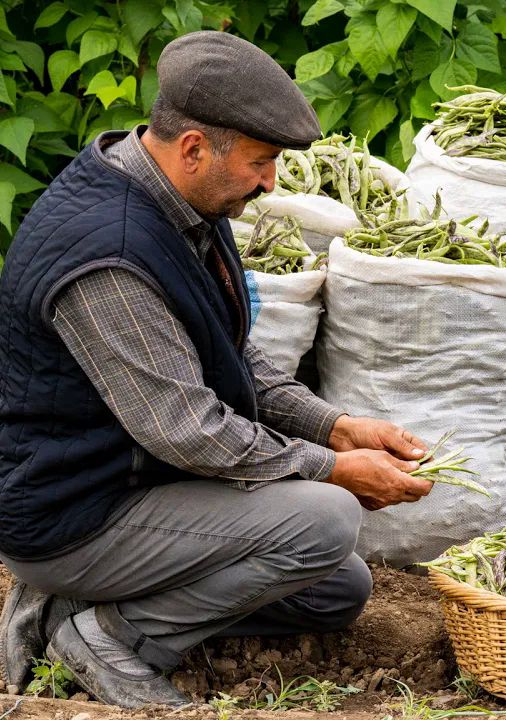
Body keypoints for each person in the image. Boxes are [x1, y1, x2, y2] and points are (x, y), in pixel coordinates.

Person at [0, 31, 434, 708]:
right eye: (262, 163)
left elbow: (230, 356)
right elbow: (189, 431)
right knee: (324, 521)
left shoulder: (185, 203)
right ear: (195, 148)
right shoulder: (107, 257)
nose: (270, 183)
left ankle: (72, 611)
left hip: (138, 487)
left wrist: (337, 426)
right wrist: (332, 468)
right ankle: (108, 635)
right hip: (75, 515)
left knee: (338, 589)